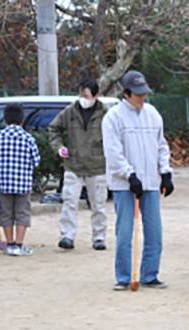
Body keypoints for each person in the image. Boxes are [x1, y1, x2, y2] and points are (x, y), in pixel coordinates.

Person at [103, 70, 174, 290]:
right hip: (125, 185)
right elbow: (113, 152)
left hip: (151, 183)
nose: (143, 97)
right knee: (125, 232)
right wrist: (129, 174)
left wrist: (166, 172)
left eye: (144, 93)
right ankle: (124, 277)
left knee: (155, 232)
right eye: (138, 94)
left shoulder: (153, 114)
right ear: (126, 93)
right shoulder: (113, 117)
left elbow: (161, 145)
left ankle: (150, 274)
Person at [48, 78, 109, 251]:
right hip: (73, 164)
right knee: (69, 202)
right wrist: (59, 147)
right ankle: (67, 236)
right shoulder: (70, 111)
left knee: (98, 204)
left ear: (96, 96)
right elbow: (53, 129)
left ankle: (99, 237)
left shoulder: (105, 113)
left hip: (97, 165)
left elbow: (116, 135)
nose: (83, 99)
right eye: (81, 94)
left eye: (86, 95)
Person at [0, 103, 41, 257]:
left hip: (4, 183)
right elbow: (36, 161)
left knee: (6, 214)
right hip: (23, 184)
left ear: (5, 119)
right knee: (22, 214)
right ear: (22, 119)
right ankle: (19, 244)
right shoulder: (28, 138)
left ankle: (10, 244)